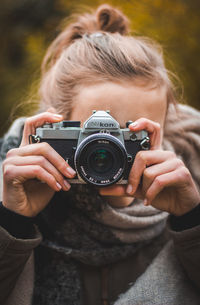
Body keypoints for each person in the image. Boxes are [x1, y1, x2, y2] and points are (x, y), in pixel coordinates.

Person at [0, 4, 200, 305]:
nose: (109, 154)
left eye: (131, 136)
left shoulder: (187, 185)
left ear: (163, 131)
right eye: (93, 137)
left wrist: (191, 220)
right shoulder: (14, 188)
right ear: (57, 132)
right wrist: (12, 221)